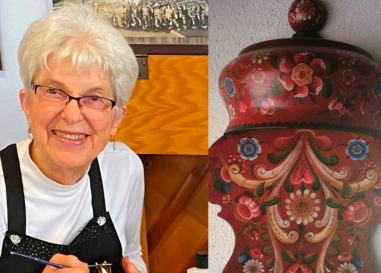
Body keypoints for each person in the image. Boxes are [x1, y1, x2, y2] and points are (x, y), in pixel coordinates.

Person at [0, 3, 146, 273]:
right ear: (27, 104)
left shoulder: (125, 169)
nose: (71, 115)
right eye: (54, 91)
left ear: (116, 118)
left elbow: (132, 257)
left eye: (94, 98)